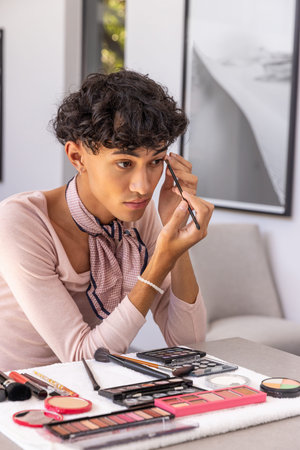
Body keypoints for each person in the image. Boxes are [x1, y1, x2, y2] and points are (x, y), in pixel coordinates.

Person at [0, 70, 213, 371]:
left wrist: (175, 236)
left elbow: (190, 343)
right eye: (125, 163)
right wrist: (158, 264)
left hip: (93, 392)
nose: (143, 186)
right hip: (18, 398)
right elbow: (82, 356)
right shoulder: (19, 222)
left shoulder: (141, 217)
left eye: (155, 162)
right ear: (77, 157)